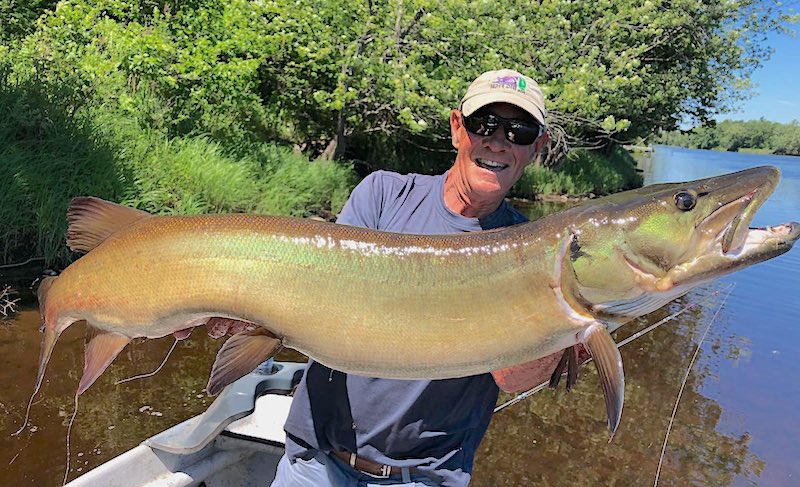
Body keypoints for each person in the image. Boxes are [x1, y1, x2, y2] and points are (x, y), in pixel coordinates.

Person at [271, 69, 550, 487]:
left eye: (519, 130)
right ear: (458, 128)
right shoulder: (383, 194)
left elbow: (513, 378)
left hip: (422, 477)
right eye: (484, 124)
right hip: (316, 460)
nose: (498, 140)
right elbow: (328, 302)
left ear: (536, 147)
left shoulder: (532, 252)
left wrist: (572, 325)